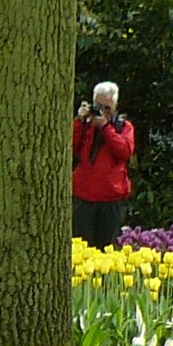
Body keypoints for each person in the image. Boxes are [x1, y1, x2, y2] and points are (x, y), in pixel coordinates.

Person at [71, 81, 136, 249]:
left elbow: (125, 152)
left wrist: (106, 128)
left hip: (111, 199)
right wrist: (79, 121)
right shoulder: (85, 125)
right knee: (80, 248)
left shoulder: (124, 127)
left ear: (115, 106)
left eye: (107, 108)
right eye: (98, 107)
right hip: (83, 197)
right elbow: (70, 149)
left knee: (107, 249)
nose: (103, 112)